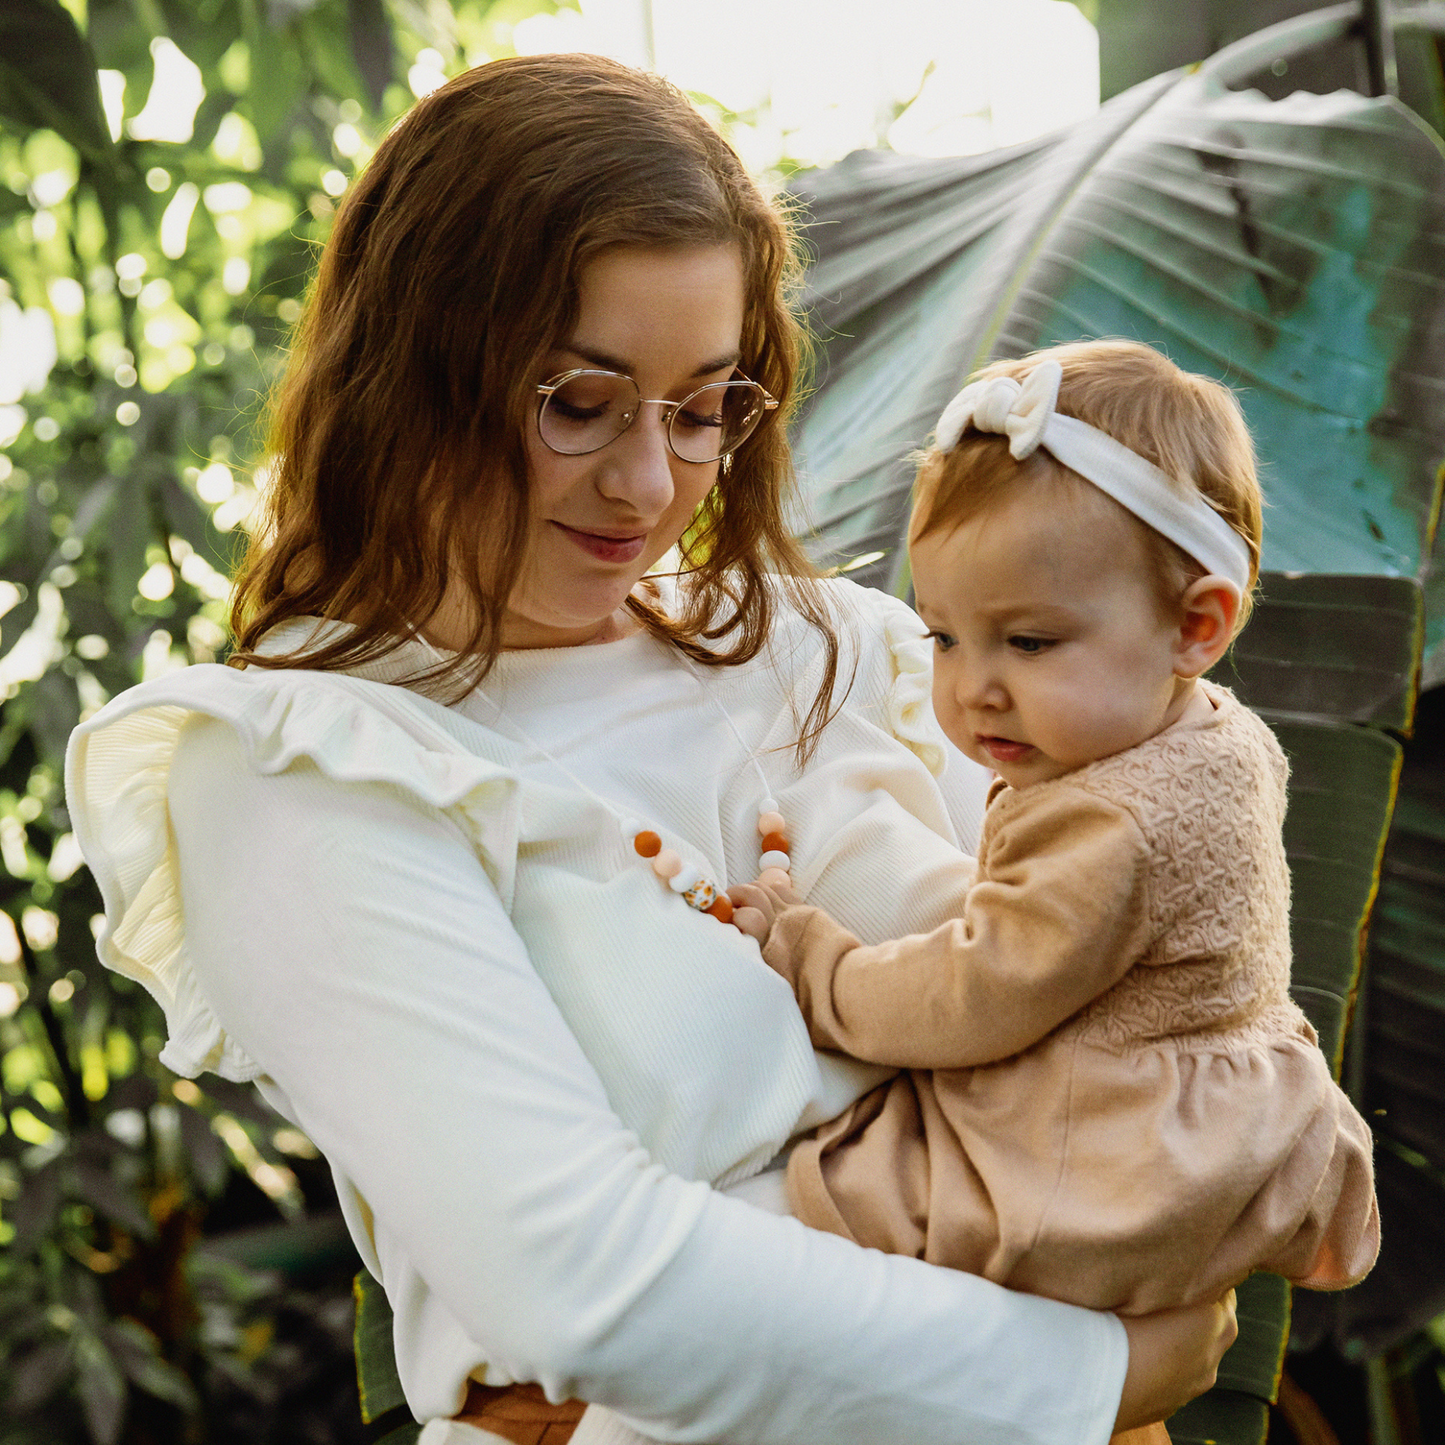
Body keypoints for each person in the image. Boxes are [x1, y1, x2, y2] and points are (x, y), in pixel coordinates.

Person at [64, 57, 1236, 1445]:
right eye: (578, 401)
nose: (646, 484)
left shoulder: (838, 648)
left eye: (699, 409)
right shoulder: (297, 764)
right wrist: (1092, 1373)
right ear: (413, 374)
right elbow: (585, 1283)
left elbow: (1150, 979)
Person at [731, 342, 1379, 1322]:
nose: (972, 687)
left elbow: (974, 993)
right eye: (943, 635)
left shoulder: (1112, 823)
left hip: (1112, 1159)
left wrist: (809, 953)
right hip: (1218, 1108)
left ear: (1195, 626)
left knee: (800, 1218)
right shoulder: (1209, 733)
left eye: (1028, 641)